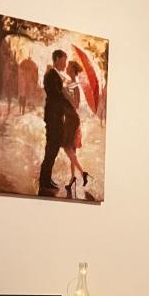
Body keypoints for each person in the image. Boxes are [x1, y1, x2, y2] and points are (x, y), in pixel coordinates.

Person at [39, 49, 71, 194]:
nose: (65, 63)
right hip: (53, 118)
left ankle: (46, 178)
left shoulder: (54, 75)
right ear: (57, 59)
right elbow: (55, 96)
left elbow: (56, 94)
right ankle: (44, 181)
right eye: (64, 60)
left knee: (53, 149)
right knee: (51, 149)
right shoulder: (52, 75)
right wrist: (67, 97)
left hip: (55, 117)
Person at [62, 60, 89, 195]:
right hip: (69, 118)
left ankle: (82, 172)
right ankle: (72, 178)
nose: (66, 68)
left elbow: (76, 105)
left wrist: (65, 93)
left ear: (72, 70)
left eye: (68, 67)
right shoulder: (68, 84)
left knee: (67, 147)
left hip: (72, 119)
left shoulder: (75, 86)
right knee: (72, 149)